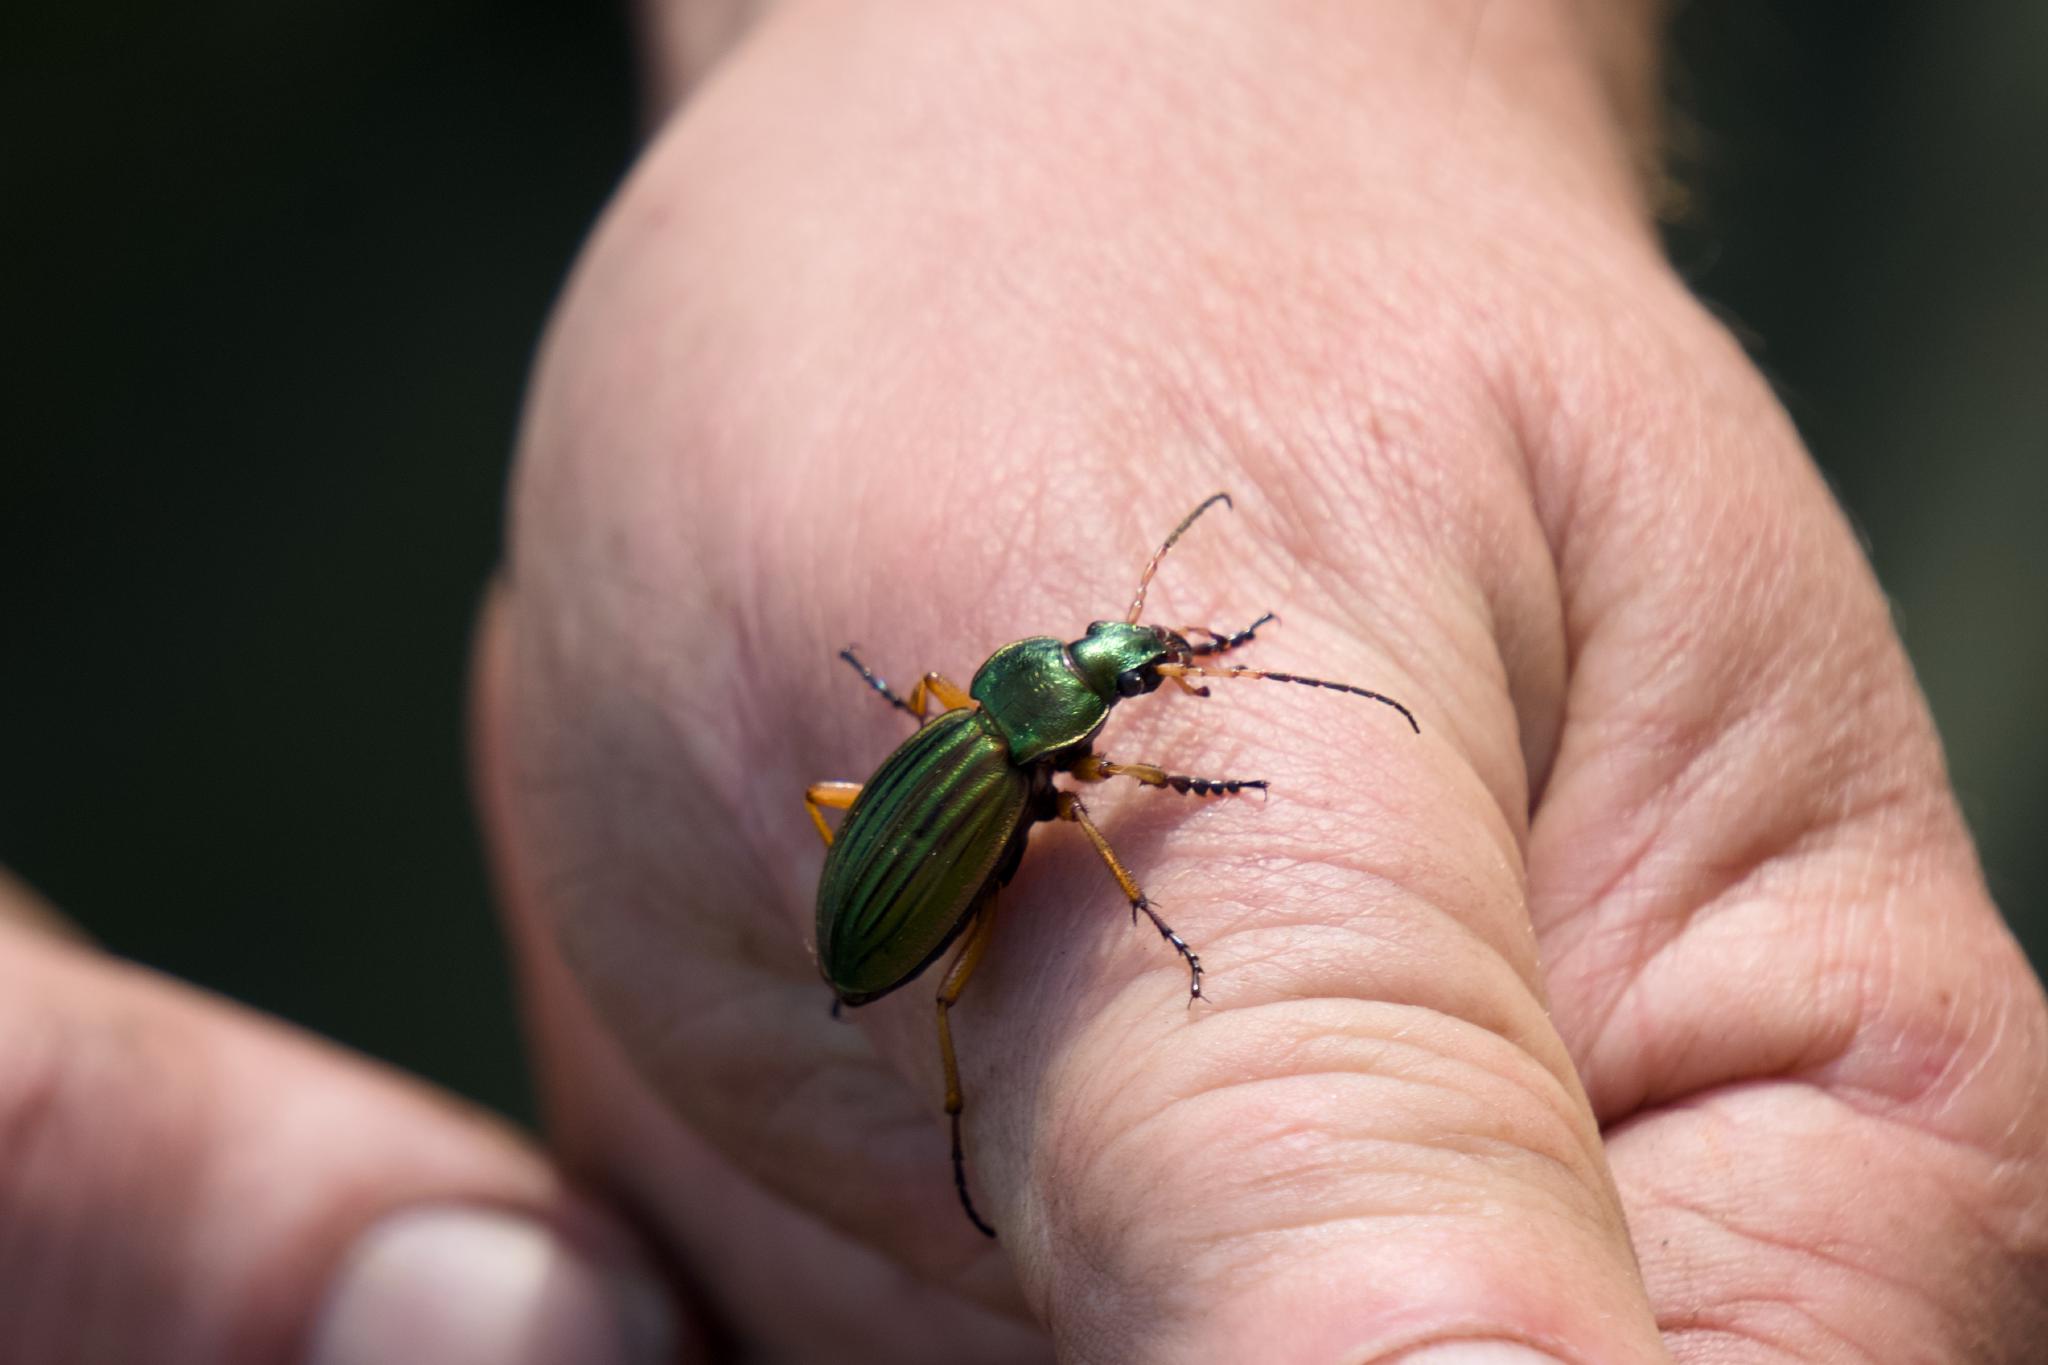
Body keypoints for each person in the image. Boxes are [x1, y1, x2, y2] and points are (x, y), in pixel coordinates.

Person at [6, 3, 2044, 1361]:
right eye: (1126, 664)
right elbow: (1026, 853)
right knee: (981, 993)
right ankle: (971, 1134)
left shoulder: (997, 717)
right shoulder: (1023, 779)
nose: (1137, 667)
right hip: (547, 921)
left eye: (1124, 657)